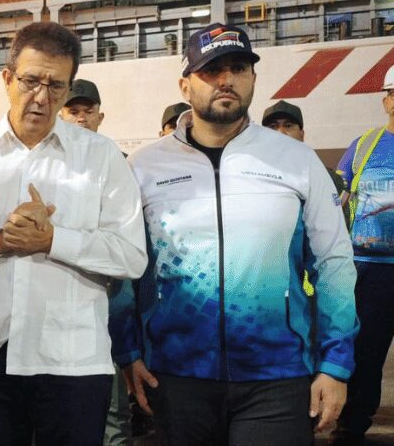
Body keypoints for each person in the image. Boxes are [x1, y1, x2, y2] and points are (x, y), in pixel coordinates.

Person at [119, 23, 357, 444]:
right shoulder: (143, 167)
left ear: (252, 80)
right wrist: (129, 352)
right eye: (211, 70)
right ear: (185, 85)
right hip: (176, 375)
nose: (226, 80)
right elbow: (125, 266)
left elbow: (334, 263)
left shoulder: (296, 161)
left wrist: (335, 364)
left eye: (238, 68)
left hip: (278, 377)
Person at [0, 22, 147, 445]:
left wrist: (53, 241)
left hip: (73, 361)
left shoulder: (101, 157)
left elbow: (131, 256)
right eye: (30, 81)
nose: (41, 97)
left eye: (56, 86)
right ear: (7, 79)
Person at [58, 80, 135, 445]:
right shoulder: (44, 164)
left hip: (111, 301)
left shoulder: (117, 163)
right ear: (61, 113)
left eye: (88, 111)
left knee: (114, 407)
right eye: (73, 110)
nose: (81, 118)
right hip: (57, 308)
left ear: (100, 116)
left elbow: (129, 246)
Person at [332, 65, 394, 444]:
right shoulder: (364, 146)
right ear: (387, 99)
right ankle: (351, 429)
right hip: (369, 274)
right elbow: (333, 200)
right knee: (365, 359)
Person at [262, 100, 348, 224]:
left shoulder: (328, 179)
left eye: (288, 126)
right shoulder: (250, 178)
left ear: (302, 135)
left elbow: (339, 230)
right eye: (272, 127)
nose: (280, 132)